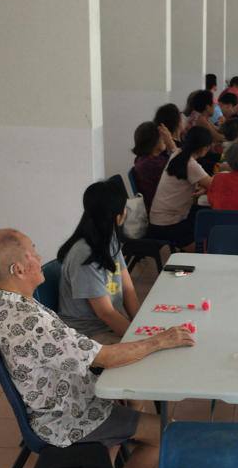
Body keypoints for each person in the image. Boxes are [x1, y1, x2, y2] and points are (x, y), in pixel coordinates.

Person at [0, 228, 194, 468]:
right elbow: (104, 357)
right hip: (65, 417)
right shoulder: (30, 321)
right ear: (18, 269)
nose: (40, 257)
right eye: (33, 252)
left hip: (62, 399)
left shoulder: (6, 304)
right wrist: (160, 341)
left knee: (121, 396)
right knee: (165, 433)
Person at [58, 179, 138, 343]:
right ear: (118, 216)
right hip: (87, 335)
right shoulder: (84, 255)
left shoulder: (110, 239)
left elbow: (128, 289)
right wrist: (140, 339)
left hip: (106, 327)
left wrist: (141, 326)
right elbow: (106, 313)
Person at [149, 126, 213, 248]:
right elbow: (216, 186)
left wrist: (205, 187)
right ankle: (197, 254)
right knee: (207, 219)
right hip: (168, 225)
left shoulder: (177, 154)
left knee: (202, 213)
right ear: (204, 148)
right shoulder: (191, 164)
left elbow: (208, 185)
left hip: (157, 221)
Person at [132, 121, 178, 212]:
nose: (165, 139)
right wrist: (172, 145)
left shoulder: (143, 159)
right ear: (154, 141)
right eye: (162, 137)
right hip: (163, 211)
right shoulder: (151, 164)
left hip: (163, 205)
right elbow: (182, 167)